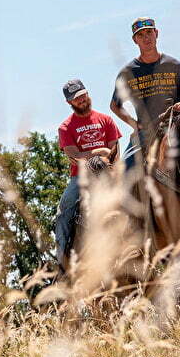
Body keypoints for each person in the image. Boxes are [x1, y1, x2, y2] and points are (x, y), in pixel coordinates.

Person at [110, 17, 180, 178]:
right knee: (124, 174)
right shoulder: (128, 72)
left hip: (178, 125)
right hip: (148, 132)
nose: (146, 38)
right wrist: (135, 125)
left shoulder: (175, 65)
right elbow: (115, 106)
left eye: (149, 32)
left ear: (156, 33)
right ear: (134, 40)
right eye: (141, 35)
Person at [55, 79, 121, 267]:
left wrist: (106, 156)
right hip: (80, 179)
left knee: (141, 196)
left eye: (83, 95)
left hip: (109, 172)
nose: (82, 100)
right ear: (69, 102)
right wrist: (100, 152)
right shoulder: (66, 127)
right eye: (77, 99)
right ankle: (62, 265)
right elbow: (74, 156)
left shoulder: (106, 120)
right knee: (63, 213)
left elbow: (115, 151)